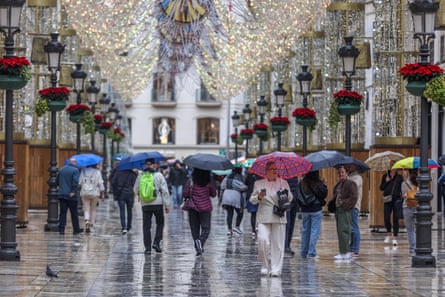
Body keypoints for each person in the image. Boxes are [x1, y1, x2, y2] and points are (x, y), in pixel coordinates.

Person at [250, 161, 293, 277]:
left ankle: (276, 268)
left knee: (278, 244)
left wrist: (285, 192)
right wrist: (259, 197)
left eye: (276, 169)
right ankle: (265, 265)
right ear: (266, 172)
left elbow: (290, 198)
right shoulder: (259, 184)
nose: (274, 171)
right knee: (262, 240)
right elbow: (252, 200)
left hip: (279, 215)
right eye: (271, 169)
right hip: (264, 215)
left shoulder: (283, 182)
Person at [134, 158, 171, 254]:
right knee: (160, 223)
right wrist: (167, 205)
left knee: (146, 226)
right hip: (157, 203)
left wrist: (141, 195)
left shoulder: (140, 175)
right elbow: (165, 191)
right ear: (154, 165)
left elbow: (135, 189)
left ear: (145, 165)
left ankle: (147, 248)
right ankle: (156, 242)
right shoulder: (159, 175)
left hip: (145, 204)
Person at [182, 168, 217, 256]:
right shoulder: (209, 181)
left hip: (192, 207)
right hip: (205, 208)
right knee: (206, 228)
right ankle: (200, 242)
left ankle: (198, 247)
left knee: (194, 228)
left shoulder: (191, 181)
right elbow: (213, 194)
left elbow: (185, 193)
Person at [298, 171, 327, 259]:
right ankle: (311, 252)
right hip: (316, 208)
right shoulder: (317, 183)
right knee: (314, 231)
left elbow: (297, 195)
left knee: (305, 231)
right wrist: (323, 184)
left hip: (305, 209)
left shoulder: (301, 183)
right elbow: (324, 194)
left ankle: (303, 252)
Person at [333, 166, 358, 260]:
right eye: (339, 173)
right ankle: (342, 251)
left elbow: (354, 197)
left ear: (346, 173)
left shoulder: (351, 184)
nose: (341, 174)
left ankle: (345, 252)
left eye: (342, 172)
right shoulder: (339, 184)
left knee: (344, 231)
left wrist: (344, 204)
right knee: (340, 231)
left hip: (345, 210)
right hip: (339, 210)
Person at [379, 160, 404, 246]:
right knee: (386, 217)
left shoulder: (400, 177)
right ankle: (389, 233)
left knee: (395, 218)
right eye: (391, 165)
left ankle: (395, 237)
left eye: (394, 166)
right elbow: (381, 188)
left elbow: (402, 189)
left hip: (396, 199)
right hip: (387, 198)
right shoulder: (385, 175)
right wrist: (386, 181)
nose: (393, 167)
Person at [56, 158, 82, 235]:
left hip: (62, 194)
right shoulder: (75, 170)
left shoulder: (61, 169)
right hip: (71, 196)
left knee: (62, 213)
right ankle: (76, 229)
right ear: (74, 162)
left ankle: (61, 229)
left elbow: (57, 181)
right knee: (74, 213)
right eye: (76, 162)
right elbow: (75, 182)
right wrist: (73, 191)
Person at [221, 166, 247, 235]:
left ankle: (229, 229)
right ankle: (237, 226)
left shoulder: (227, 177)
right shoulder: (239, 177)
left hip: (226, 196)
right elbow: (242, 187)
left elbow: (222, 186)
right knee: (240, 212)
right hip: (235, 195)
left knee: (229, 213)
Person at [79, 163, 105, 233]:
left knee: (86, 208)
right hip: (95, 193)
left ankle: (87, 220)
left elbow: (80, 182)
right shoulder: (97, 172)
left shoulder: (83, 171)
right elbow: (101, 184)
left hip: (84, 192)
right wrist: (103, 194)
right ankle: (91, 225)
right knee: (93, 209)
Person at [112, 167, 138, 234]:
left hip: (121, 194)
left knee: (122, 211)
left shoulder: (118, 173)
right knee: (130, 211)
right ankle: (129, 226)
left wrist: (116, 191)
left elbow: (113, 182)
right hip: (130, 194)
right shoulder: (133, 174)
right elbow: (136, 185)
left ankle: (124, 227)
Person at [345, 163, 363, 257]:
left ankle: (355, 248)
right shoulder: (350, 177)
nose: (348, 167)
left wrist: (345, 180)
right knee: (350, 227)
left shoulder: (357, 178)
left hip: (354, 205)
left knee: (354, 227)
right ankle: (351, 247)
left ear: (355, 167)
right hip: (348, 205)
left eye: (350, 166)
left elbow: (352, 187)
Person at [402, 169, 418, 256]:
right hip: (418, 207)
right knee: (417, 229)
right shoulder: (421, 182)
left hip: (407, 206)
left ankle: (412, 249)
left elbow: (404, 195)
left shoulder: (404, 183)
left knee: (410, 229)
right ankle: (418, 247)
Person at [285, 176, 299, 256]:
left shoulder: (294, 174)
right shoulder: (282, 174)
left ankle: (287, 245)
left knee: (290, 224)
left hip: (294, 199)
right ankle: (286, 246)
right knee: (287, 223)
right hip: (286, 199)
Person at [245, 166, 260, 238]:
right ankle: (257, 227)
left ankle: (253, 229)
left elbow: (246, 184)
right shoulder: (260, 177)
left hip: (251, 196)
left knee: (253, 214)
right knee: (259, 213)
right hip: (259, 196)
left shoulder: (249, 177)